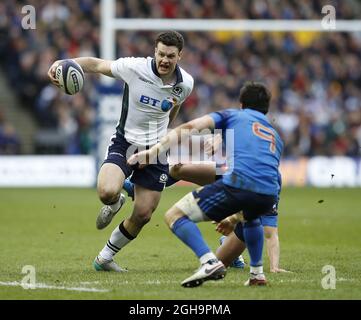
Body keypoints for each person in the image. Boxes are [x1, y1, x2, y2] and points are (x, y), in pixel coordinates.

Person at [48, 30, 194, 272]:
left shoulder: (185, 83)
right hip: (125, 143)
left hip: (156, 150)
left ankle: (104, 258)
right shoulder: (134, 67)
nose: (164, 60)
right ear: (154, 52)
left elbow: (175, 106)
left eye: (170, 55)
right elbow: (95, 64)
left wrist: (165, 132)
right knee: (106, 192)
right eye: (161, 54)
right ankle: (116, 201)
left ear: (180, 56)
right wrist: (63, 63)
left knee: (144, 214)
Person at [128, 81, 284, 287]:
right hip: (270, 194)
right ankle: (257, 274)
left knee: (174, 215)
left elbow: (191, 127)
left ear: (241, 103)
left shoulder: (233, 115)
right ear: (266, 108)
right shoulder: (275, 135)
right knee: (251, 217)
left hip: (240, 184)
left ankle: (208, 261)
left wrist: (152, 152)